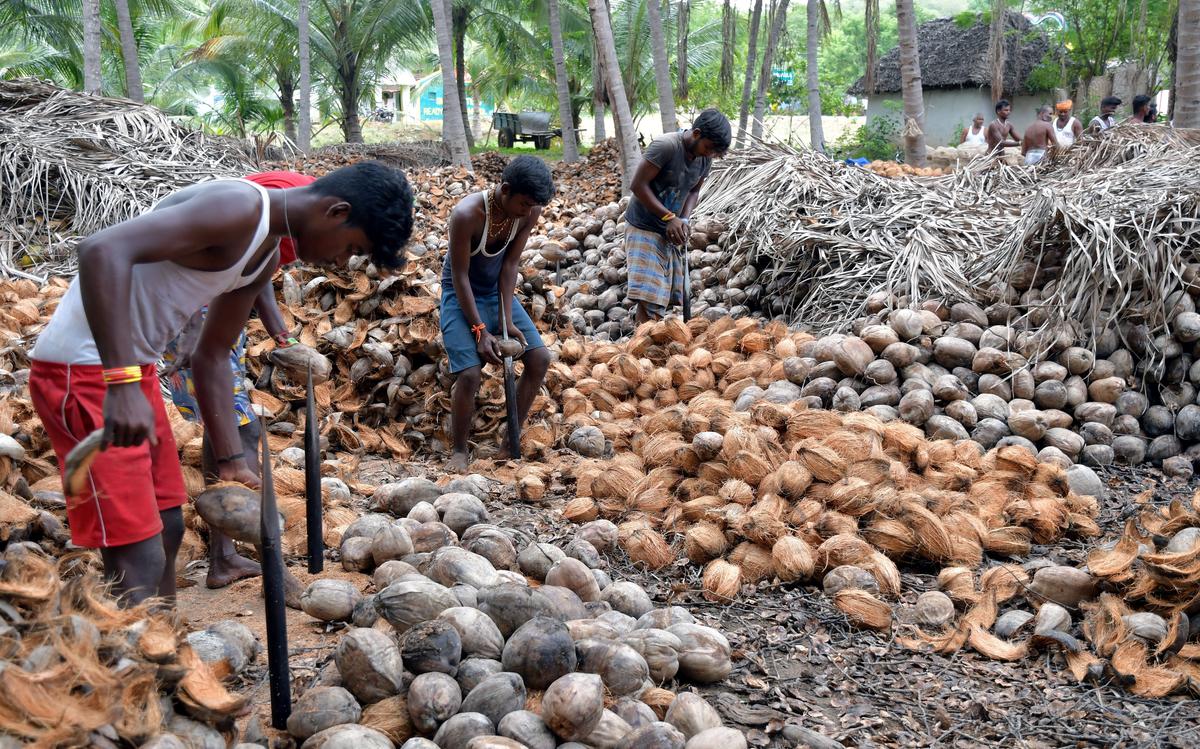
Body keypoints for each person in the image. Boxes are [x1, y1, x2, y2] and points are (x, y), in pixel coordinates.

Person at [28, 161, 414, 605]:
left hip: (132, 371)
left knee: (168, 527)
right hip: (83, 372)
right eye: (351, 246)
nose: (342, 261)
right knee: (137, 550)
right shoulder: (238, 207)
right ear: (336, 211)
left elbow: (212, 355)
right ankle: (140, 664)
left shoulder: (264, 251)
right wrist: (120, 382)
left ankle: (163, 645)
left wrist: (230, 458)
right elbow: (101, 249)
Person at [161, 170, 318, 590]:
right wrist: (194, 327)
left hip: (213, 318)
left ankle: (224, 557)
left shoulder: (291, 211)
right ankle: (272, 567)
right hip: (195, 318)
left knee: (224, 424)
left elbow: (258, 274)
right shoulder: (274, 207)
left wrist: (280, 332)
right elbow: (229, 266)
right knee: (242, 435)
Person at [441, 156, 554, 473]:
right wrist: (480, 330)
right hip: (459, 292)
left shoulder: (528, 212)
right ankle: (460, 451)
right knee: (470, 374)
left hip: (495, 291)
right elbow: (460, 276)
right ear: (505, 189)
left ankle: (509, 443)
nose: (527, 210)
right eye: (523, 203)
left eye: (533, 205)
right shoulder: (467, 214)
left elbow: (509, 266)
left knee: (539, 359)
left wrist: (506, 320)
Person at [625, 109, 731, 323]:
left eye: (714, 152)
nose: (710, 154)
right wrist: (668, 217)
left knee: (664, 295)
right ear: (696, 133)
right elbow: (637, 185)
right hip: (644, 225)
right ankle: (641, 346)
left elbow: (693, 191)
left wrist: (683, 219)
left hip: (669, 229)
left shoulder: (704, 159)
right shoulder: (666, 146)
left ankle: (647, 342)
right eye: (709, 148)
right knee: (650, 295)